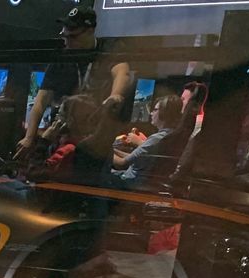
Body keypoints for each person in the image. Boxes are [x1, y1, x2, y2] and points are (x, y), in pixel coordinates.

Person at [16, 5, 132, 175]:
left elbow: (122, 71)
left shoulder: (108, 48)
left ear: (90, 31)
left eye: (72, 36)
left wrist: (116, 95)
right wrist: (29, 137)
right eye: (64, 35)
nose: (67, 41)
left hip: (94, 137)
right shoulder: (62, 57)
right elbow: (40, 102)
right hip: (62, 133)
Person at [113, 94, 183, 187]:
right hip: (137, 179)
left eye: (155, 110)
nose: (151, 113)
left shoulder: (156, 138)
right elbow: (134, 157)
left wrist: (106, 152)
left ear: (164, 113)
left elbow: (122, 162)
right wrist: (113, 150)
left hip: (130, 182)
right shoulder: (169, 135)